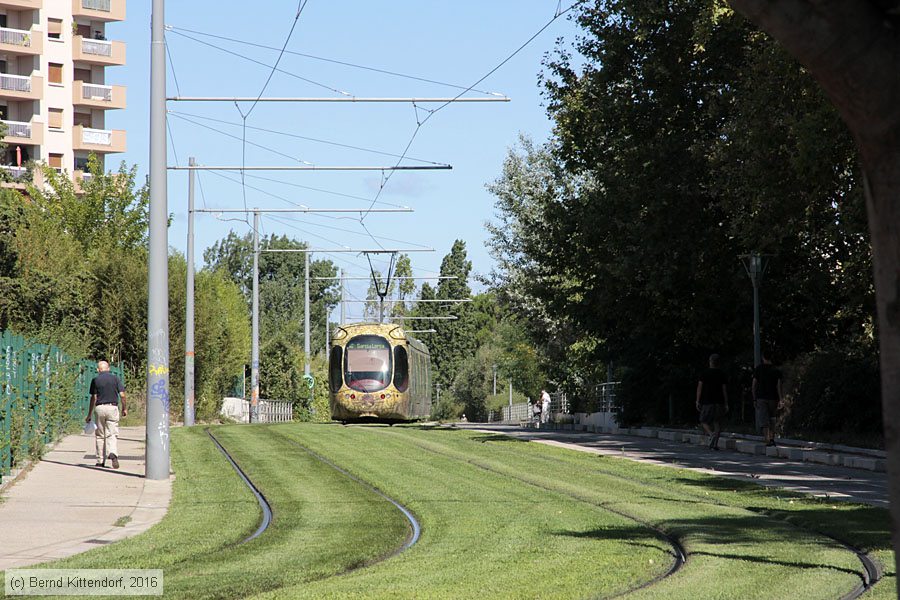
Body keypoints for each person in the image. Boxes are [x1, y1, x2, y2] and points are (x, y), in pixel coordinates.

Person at [85, 360, 127, 469]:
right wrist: (124, 408)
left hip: (99, 408)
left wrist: (89, 414)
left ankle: (100, 460)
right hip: (112, 407)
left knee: (100, 435)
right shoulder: (115, 379)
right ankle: (112, 453)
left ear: (98, 370)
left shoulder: (95, 380)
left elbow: (93, 397)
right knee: (112, 433)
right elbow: (122, 395)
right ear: (108, 368)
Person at [696, 354, 728, 450]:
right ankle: (715, 445)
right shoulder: (721, 374)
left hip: (707, 401)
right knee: (717, 422)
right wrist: (726, 403)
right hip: (719, 401)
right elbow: (724, 389)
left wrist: (697, 400)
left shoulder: (704, 373)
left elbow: (699, 388)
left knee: (703, 420)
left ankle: (711, 434)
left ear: (710, 361)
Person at [753, 351, 783, 447]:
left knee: (764, 420)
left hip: (761, 398)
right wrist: (781, 399)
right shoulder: (776, 370)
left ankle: (766, 440)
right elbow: (778, 386)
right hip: (773, 398)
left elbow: (754, 385)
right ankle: (772, 438)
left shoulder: (758, 369)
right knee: (773, 419)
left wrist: (754, 398)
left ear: (763, 357)